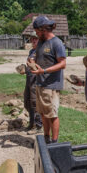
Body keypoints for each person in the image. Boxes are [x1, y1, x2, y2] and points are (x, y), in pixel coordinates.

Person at [31, 16, 66, 144]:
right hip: (40, 83)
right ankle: (46, 139)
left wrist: (44, 71)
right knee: (43, 114)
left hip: (51, 85)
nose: (36, 34)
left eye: (37, 31)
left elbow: (62, 64)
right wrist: (32, 61)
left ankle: (54, 142)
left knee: (52, 115)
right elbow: (36, 56)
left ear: (43, 29)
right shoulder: (40, 42)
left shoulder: (57, 43)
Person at [23, 31, 43, 134]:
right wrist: (24, 69)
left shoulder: (41, 52)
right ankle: (31, 123)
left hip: (36, 80)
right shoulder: (31, 51)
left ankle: (38, 126)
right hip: (29, 80)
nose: (33, 40)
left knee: (35, 103)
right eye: (32, 39)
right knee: (27, 101)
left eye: (35, 38)